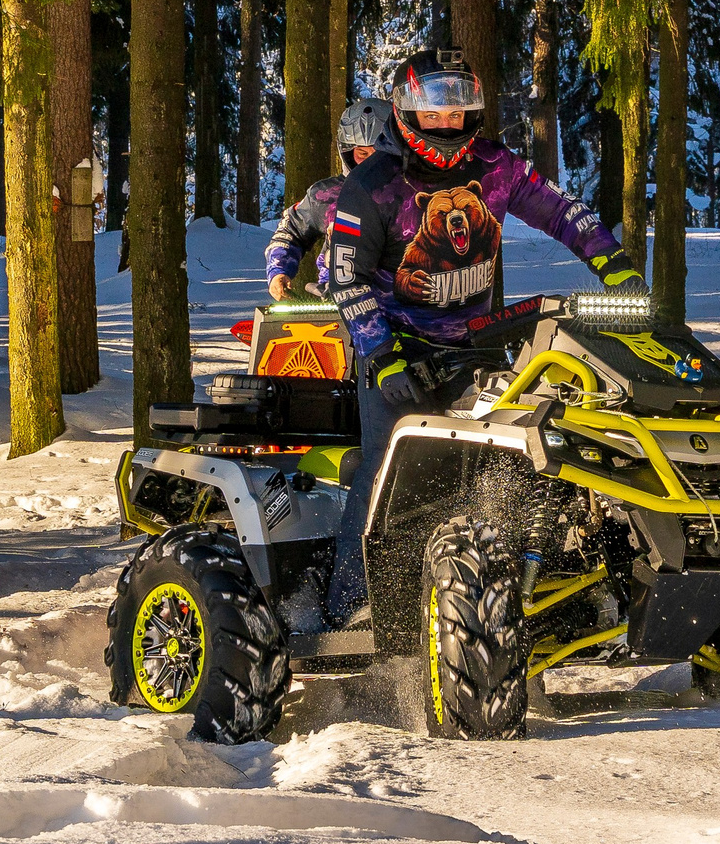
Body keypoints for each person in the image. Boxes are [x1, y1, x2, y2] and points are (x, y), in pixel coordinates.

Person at [323, 49, 642, 624]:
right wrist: (382, 353)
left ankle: (522, 598)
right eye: (433, 114)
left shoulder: (497, 167)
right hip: (397, 353)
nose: (447, 125)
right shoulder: (371, 187)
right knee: (384, 473)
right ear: (404, 112)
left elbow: (561, 211)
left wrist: (612, 261)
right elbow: (344, 279)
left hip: (479, 349)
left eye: (458, 112)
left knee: (518, 461)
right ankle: (352, 605)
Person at [265, 98, 400, 301]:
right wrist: (278, 270)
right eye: (362, 153)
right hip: (339, 302)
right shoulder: (326, 195)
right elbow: (290, 230)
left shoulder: (416, 192)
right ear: (347, 153)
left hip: (404, 304)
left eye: (379, 153)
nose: (371, 161)